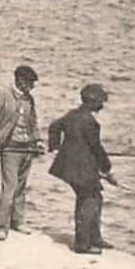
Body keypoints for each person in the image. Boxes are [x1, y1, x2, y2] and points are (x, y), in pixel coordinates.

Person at [47, 84, 116, 255]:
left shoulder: (72, 115)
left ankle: (94, 237)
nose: (102, 106)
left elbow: (54, 127)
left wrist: (55, 147)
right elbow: (97, 149)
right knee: (88, 200)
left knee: (95, 197)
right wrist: (109, 171)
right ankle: (83, 244)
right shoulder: (90, 123)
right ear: (92, 102)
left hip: (69, 167)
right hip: (80, 170)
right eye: (100, 102)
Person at [0, 64, 43, 241]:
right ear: (20, 81)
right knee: (10, 187)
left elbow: (34, 122)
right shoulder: (2, 94)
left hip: (27, 148)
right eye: (30, 84)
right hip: (10, 148)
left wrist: (37, 141)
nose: (31, 88)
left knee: (21, 187)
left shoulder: (29, 99)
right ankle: (2, 226)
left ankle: (18, 221)